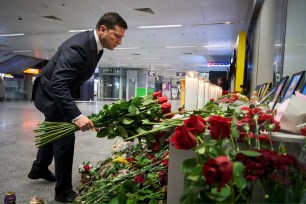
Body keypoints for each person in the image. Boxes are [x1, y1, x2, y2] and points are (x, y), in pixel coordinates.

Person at [28, 12, 128, 203]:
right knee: (65, 137)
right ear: (102, 29)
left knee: (53, 128)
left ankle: (39, 167)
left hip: (54, 90)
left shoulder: (97, 47)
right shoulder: (79, 47)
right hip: (48, 93)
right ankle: (63, 192)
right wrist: (76, 115)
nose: (120, 41)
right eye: (117, 36)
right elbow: (58, 83)